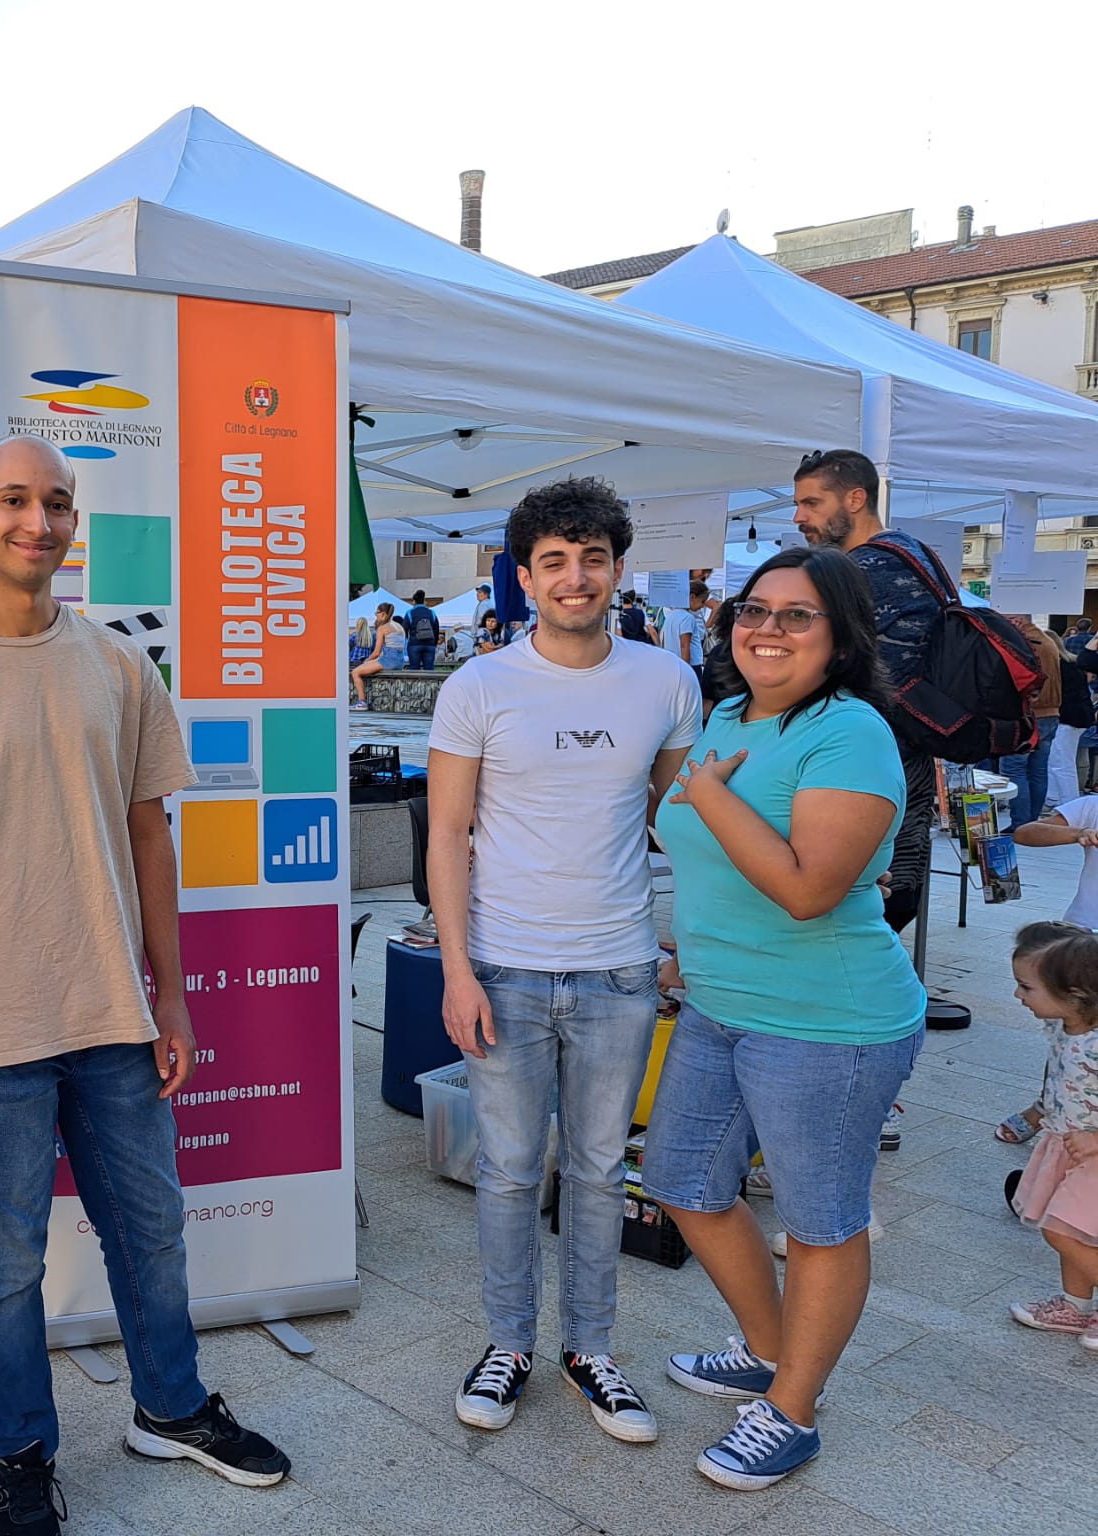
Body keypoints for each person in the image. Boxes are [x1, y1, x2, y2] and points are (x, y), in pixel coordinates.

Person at [0, 434, 290, 1535]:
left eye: (56, 504)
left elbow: (152, 838)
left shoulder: (116, 665)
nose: (36, 522)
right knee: (2, 1269)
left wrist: (175, 996)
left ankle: (171, 1406)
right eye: (14, 500)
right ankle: (19, 1458)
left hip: (109, 1007)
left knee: (150, 1231)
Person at [642, 545, 926, 1492]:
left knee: (821, 1223)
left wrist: (712, 794)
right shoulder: (728, 712)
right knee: (684, 1182)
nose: (766, 628)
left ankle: (793, 1413)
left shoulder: (852, 733)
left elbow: (809, 890)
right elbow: (704, 856)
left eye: (797, 615)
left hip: (828, 1022)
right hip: (719, 1004)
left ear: (842, 636)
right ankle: (771, 1354)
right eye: (754, 610)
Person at [428, 477, 698, 1447]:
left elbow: (685, 823)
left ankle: (591, 1349)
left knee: (592, 1171)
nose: (573, 578)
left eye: (591, 558)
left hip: (617, 972)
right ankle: (507, 1344)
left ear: (617, 568)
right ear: (524, 575)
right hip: (502, 969)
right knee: (505, 1172)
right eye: (553, 561)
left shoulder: (664, 681)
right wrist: (455, 970)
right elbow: (446, 836)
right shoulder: (479, 687)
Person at [791, 449, 940, 934]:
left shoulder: (864, 570)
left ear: (855, 499)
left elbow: (818, 669)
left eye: (812, 503)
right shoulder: (916, 554)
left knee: (856, 906)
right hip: (907, 754)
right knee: (890, 897)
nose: (799, 517)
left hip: (866, 762)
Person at [1003, 923, 1098, 1352]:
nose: (1018, 996)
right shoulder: (1066, 1028)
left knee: (1060, 1229)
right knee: (1073, 1234)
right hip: (1066, 1145)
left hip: (1093, 1154)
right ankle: (1076, 1306)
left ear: (1075, 994)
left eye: (1027, 987)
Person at [1005, 806, 1098, 1142]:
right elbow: (1026, 833)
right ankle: (1048, 1104)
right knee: (1068, 1030)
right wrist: (1077, 833)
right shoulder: (1093, 806)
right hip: (1081, 940)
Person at [1003, 616, 1064, 828]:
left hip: (1027, 714)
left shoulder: (1023, 642)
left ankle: (1020, 823)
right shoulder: (1047, 641)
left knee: (1014, 770)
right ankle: (1031, 821)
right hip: (1050, 714)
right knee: (1038, 769)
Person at [350, 601, 407, 711]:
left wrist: (366, 660)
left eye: (377, 613)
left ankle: (362, 702)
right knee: (367, 665)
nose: (376, 616)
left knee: (355, 672)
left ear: (383, 614)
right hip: (400, 660)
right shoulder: (399, 626)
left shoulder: (383, 628)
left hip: (388, 660)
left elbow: (376, 652)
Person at [658, 581, 709, 673]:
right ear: (692, 597)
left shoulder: (670, 616)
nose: (703, 606)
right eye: (702, 601)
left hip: (674, 663)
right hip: (690, 665)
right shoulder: (687, 618)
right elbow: (685, 646)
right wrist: (687, 670)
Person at [403, 589, 441, 668]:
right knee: (429, 670)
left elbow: (404, 629)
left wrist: (407, 642)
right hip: (430, 645)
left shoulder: (410, 613)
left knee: (414, 670)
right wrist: (434, 643)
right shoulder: (432, 612)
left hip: (414, 644)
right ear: (424, 601)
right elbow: (436, 629)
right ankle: (430, 680)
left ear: (414, 601)